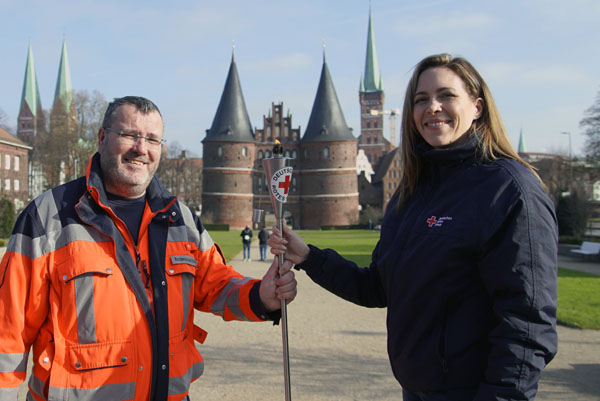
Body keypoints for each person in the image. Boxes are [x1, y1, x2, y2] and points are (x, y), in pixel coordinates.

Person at [269, 54, 558, 401]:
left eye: (446, 95)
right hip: (416, 390)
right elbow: (377, 286)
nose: (432, 107)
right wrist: (309, 257)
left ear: (477, 107)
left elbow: (526, 323)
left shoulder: (510, 190)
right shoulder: (412, 193)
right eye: (421, 100)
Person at [0, 96, 297, 401]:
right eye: (129, 135)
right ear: (102, 139)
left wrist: (262, 294)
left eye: (152, 139)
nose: (141, 148)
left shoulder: (180, 218)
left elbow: (217, 285)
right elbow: (7, 332)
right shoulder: (48, 217)